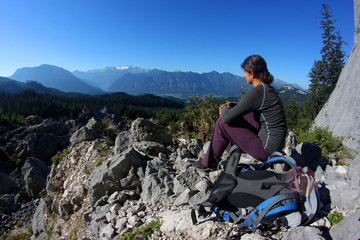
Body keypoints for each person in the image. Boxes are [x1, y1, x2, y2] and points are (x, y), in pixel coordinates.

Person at [197, 54, 287, 172]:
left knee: (222, 122)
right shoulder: (265, 89)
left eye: (245, 72)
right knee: (240, 116)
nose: (244, 75)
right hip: (274, 145)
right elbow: (246, 106)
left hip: (266, 150)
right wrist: (232, 106)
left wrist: (224, 108)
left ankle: (209, 163)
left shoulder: (258, 91)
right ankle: (232, 149)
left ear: (252, 73)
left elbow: (226, 119)